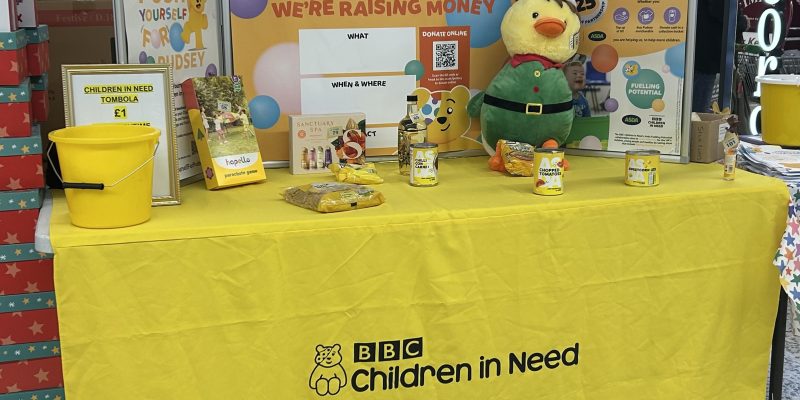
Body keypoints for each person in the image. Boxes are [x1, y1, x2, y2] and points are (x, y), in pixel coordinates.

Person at [693, 0, 725, 112]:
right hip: (706, 53)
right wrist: (741, 21)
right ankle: (697, 128)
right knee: (699, 108)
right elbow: (720, 10)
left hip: (697, 50)